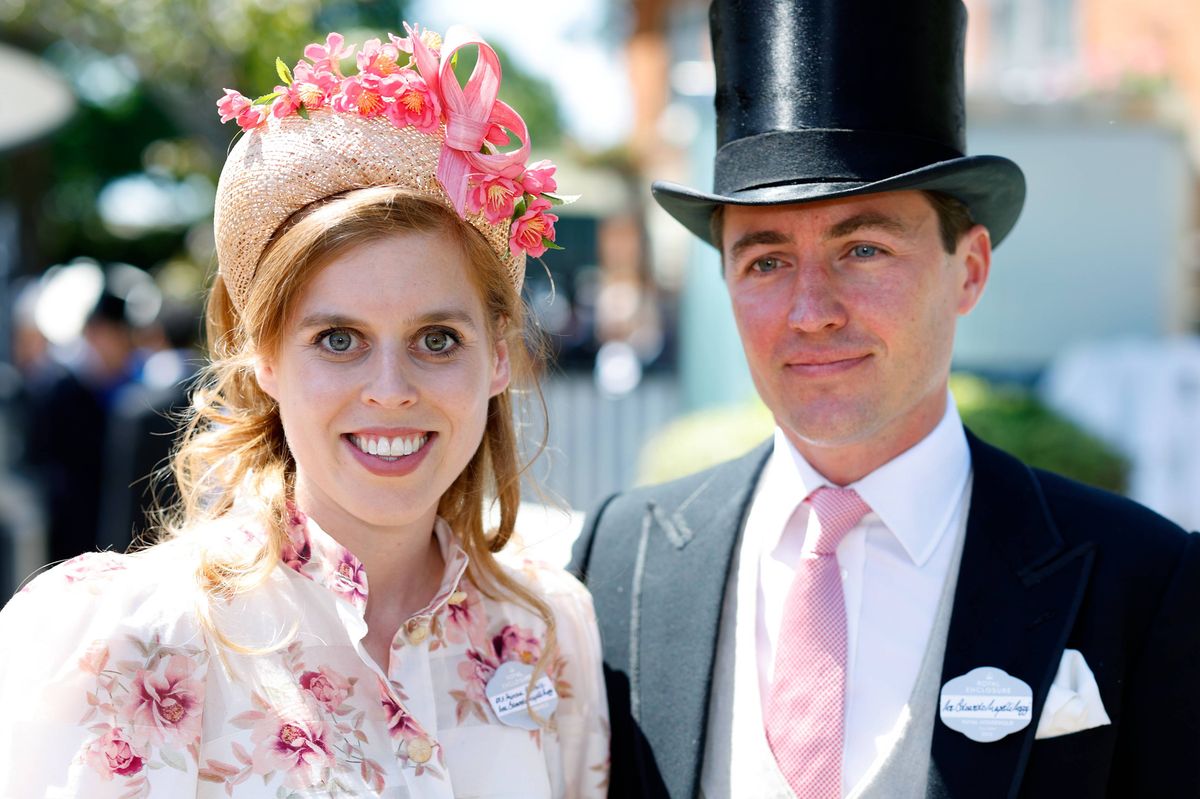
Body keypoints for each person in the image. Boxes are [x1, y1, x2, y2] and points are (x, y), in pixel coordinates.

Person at [570, 1, 1200, 797]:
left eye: (863, 249)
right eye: (765, 261)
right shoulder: (623, 556)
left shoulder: (1142, 579)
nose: (812, 310)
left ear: (968, 270)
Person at [0, 25, 609, 797]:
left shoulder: (551, 630)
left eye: (436, 337)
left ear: (497, 356)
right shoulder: (121, 639)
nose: (391, 388)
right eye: (339, 338)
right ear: (265, 355)